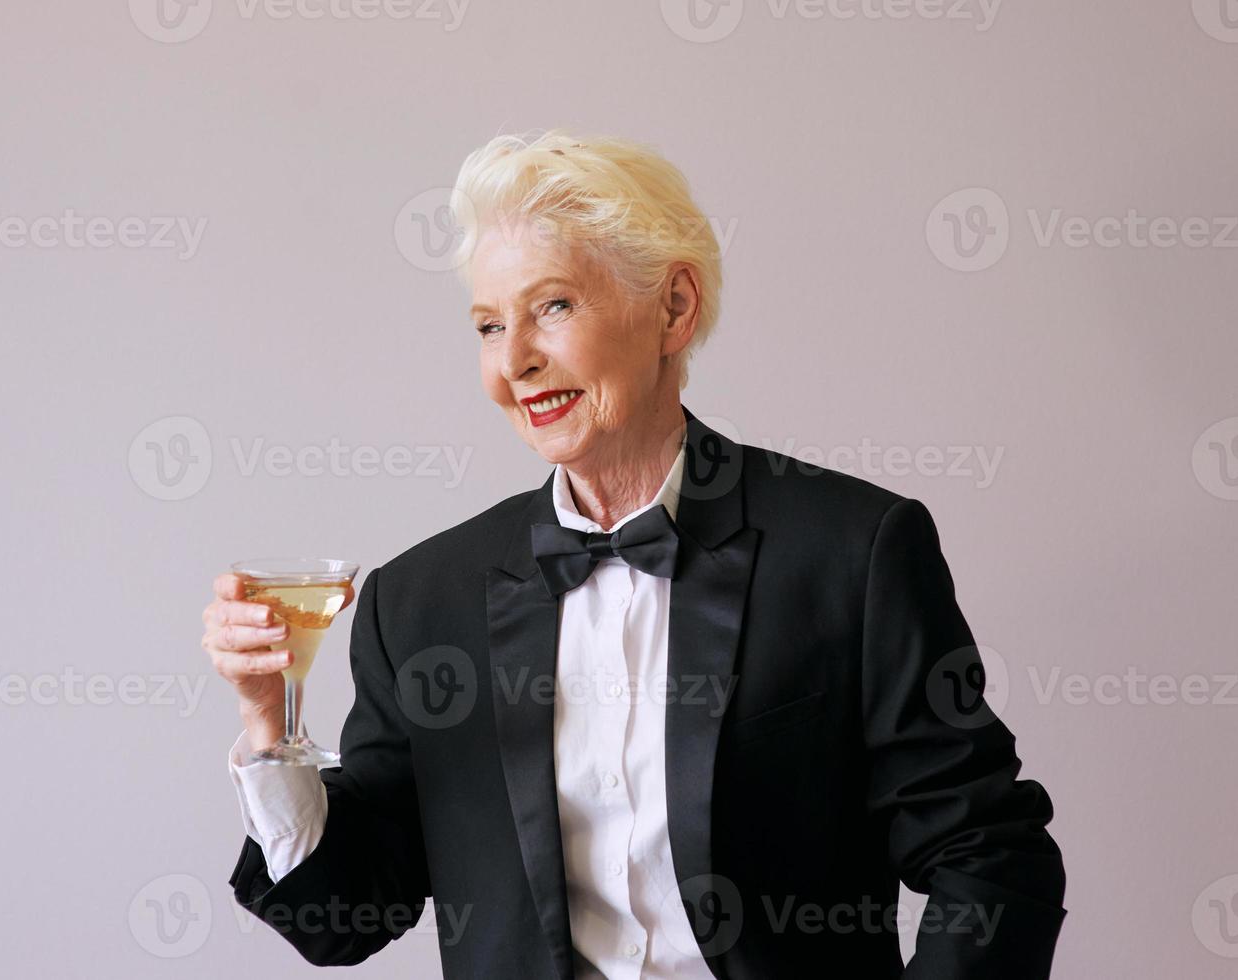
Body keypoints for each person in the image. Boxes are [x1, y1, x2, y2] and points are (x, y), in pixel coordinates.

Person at [201, 130, 1067, 978]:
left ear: (674, 308)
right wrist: (269, 732)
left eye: (554, 307)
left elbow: (990, 855)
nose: (515, 365)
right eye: (488, 325)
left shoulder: (853, 554)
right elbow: (346, 918)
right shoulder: (423, 600)